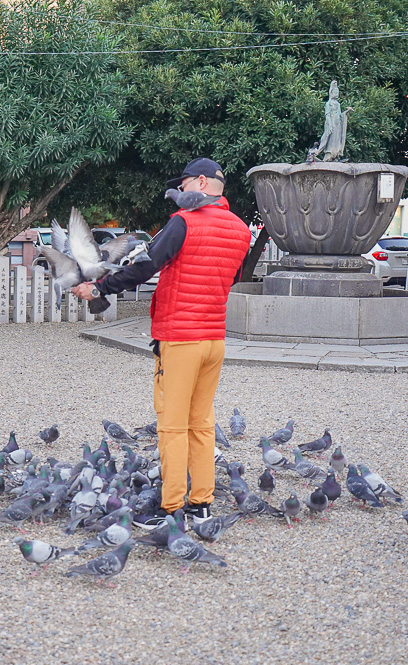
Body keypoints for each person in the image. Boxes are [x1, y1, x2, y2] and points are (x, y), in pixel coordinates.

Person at [71, 158, 252, 528]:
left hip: (181, 339)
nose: (180, 193)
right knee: (201, 424)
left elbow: (145, 266)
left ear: (201, 181)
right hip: (213, 338)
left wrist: (98, 288)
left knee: (171, 425)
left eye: (183, 185)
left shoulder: (184, 222)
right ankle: (201, 505)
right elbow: (229, 276)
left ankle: (170, 508)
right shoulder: (239, 229)